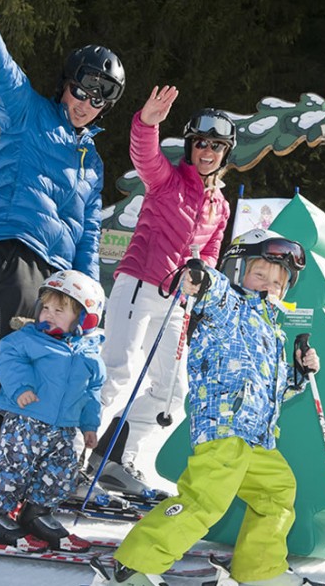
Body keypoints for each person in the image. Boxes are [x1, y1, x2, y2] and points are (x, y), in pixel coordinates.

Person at [0, 0, 125, 535]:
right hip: (12, 252)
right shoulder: (28, 114)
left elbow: (89, 233)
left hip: (58, 282)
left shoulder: (92, 164)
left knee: (25, 382)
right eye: (87, 88)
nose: (90, 103)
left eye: (104, 97)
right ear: (68, 83)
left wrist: (88, 301)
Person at [94, 229, 325, 586]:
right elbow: (211, 290)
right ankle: (134, 565)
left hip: (258, 440)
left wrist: (298, 372)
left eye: (278, 282)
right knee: (205, 500)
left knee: (277, 494)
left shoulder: (273, 331)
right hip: (223, 430)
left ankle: (259, 570)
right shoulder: (228, 307)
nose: (268, 286)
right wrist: (200, 279)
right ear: (237, 271)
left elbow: (273, 390)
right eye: (259, 274)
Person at [87, 86, 234, 496]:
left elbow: (210, 254)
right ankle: (66, 457)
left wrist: (201, 276)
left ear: (225, 153)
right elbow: (144, 156)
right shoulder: (167, 181)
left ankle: (114, 456)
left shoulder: (218, 206)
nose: (207, 151)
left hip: (175, 303)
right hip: (138, 285)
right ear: (190, 146)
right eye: (200, 143)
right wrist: (147, 121)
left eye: (216, 145)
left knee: (171, 391)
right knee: (115, 372)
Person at [0, 270, 106, 552]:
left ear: (85, 318)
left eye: (60, 310)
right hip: (26, 421)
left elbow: (92, 393)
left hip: (64, 429)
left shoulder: (90, 355)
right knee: (13, 468)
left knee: (60, 473)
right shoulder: (27, 340)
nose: (49, 314)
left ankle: (37, 512)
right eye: (45, 307)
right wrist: (21, 387)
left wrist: (90, 425)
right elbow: (9, 359)